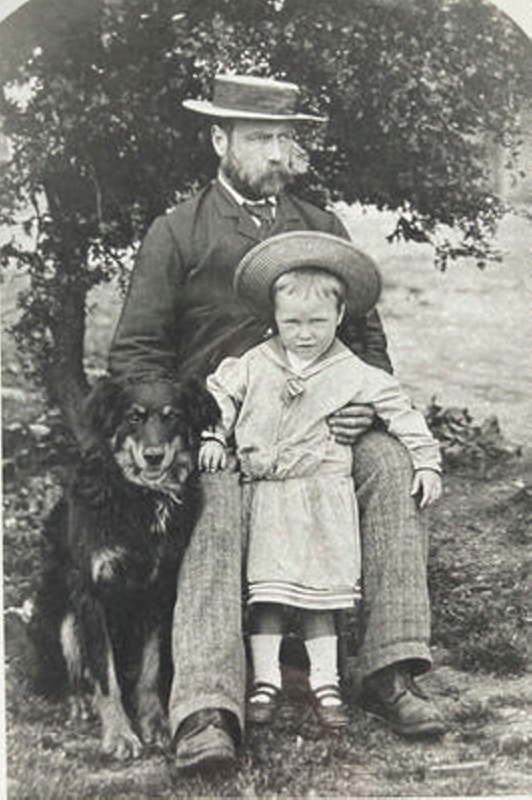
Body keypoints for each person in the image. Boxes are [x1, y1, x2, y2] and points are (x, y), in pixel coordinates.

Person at [108, 73, 447, 773]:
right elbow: (137, 352)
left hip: (326, 421)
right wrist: (178, 425)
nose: (274, 150)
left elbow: (370, 342)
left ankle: (390, 667)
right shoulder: (177, 231)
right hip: (223, 424)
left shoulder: (321, 228)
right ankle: (206, 707)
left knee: (390, 463)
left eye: (283, 137)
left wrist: (360, 403)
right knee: (216, 498)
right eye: (258, 136)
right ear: (218, 139)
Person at [198, 232, 442, 733]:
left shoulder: (355, 372)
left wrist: (426, 461)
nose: (304, 334)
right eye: (291, 323)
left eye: (316, 322)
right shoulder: (255, 362)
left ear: (339, 316)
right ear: (274, 319)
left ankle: (327, 683)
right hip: (268, 495)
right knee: (266, 592)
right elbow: (220, 397)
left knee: (320, 595)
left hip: (321, 499)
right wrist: (213, 436)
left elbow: (402, 412)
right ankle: (264, 680)